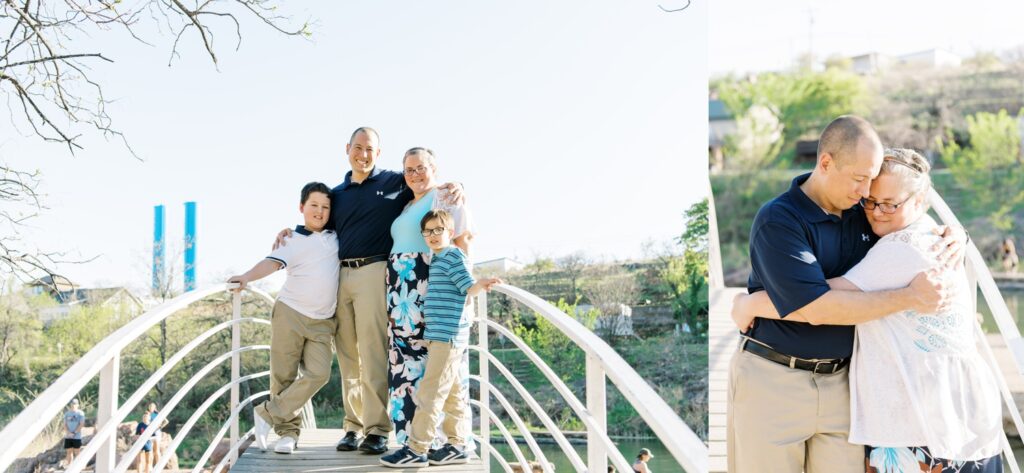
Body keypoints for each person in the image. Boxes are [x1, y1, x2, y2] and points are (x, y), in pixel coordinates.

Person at [733, 148, 1002, 472]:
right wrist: (959, 233)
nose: (877, 212)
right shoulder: (925, 231)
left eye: (890, 203)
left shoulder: (899, 248)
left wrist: (748, 303)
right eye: (870, 201)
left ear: (920, 201)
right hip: (960, 417)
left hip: (922, 424)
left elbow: (814, 301)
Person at [273, 127, 463, 454]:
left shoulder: (393, 182)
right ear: (347, 149)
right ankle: (352, 426)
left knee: (374, 352)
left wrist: (456, 185)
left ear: (379, 152)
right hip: (340, 275)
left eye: (370, 149)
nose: (363, 154)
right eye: (358, 148)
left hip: (375, 272)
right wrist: (291, 230)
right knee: (347, 355)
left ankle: (376, 429)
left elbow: (425, 185)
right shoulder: (337, 194)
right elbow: (317, 224)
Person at [380, 210, 501, 467]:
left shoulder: (452, 256)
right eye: (428, 231)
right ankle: (457, 444)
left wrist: (482, 284)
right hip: (441, 336)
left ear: (450, 232)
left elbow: (468, 287)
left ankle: (417, 448)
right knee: (454, 392)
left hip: (447, 336)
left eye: (439, 230)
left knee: (431, 392)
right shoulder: (438, 258)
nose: (433, 235)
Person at [230, 182, 339, 454]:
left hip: (323, 320)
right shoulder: (290, 239)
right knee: (283, 377)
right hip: (290, 312)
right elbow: (271, 263)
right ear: (302, 208)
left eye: (325, 207)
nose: (319, 211)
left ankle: (267, 413)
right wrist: (245, 277)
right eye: (314, 205)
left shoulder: (337, 236)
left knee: (319, 373)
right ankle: (288, 434)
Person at [385, 148, 474, 446]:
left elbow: (462, 241)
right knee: (405, 365)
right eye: (409, 170)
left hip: (429, 289)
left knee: (436, 364)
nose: (415, 174)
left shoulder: (446, 197)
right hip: (401, 296)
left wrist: (467, 291)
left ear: (434, 167)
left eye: (421, 167)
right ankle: (408, 438)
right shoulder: (407, 204)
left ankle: (439, 441)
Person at [62, 398, 85, 468]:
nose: (73, 405)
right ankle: (70, 466)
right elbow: (65, 425)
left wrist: (74, 432)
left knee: (77, 452)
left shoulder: (80, 413)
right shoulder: (67, 414)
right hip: (68, 436)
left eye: (75, 404)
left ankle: (79, 466)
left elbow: (81, 424)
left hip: (77, 436)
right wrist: (68, 433)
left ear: (77, 405)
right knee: (69, 452)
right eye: (72, 404)